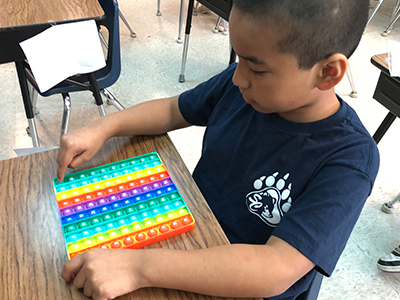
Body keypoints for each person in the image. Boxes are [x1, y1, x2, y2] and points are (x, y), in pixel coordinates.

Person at [57, 0, 379, 299]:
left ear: (327, 73)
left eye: (256, 68)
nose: (238, 77)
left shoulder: (349, 160)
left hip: (241, 284)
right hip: (188, 239)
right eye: (237, 58)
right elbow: (173, 110)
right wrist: (103, 127)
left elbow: (275, 267)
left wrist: (138, 267)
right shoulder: (243, 88)